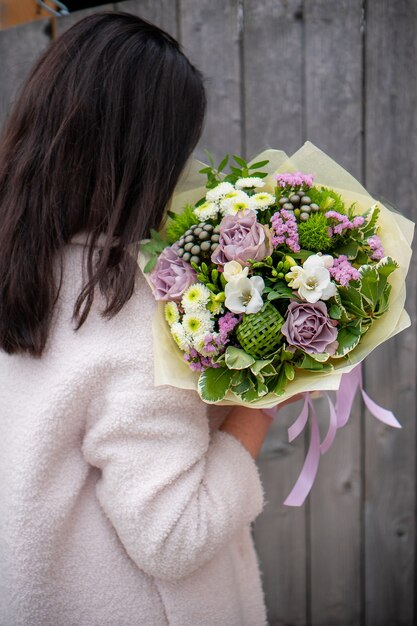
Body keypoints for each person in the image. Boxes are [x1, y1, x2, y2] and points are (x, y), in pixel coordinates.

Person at [0, 12, 283, 626]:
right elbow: (176, 535)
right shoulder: (130, 310)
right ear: (149, 156)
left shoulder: (21, 262)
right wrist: (262, 404)